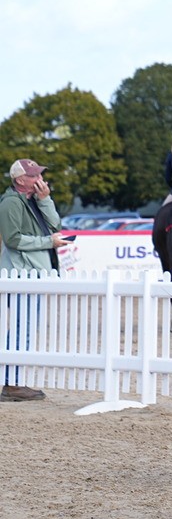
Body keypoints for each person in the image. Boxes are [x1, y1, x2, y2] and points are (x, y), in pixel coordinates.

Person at [0, 159, 68, 401]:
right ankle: (10, 383)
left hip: (32, 273)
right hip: (21, 273)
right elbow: (13, 240)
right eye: (34, 175)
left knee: (25, 327)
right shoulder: (10, 202)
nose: (40, 179)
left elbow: (55, 225)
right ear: (20, 181)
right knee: (22, 328)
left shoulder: (31, 200)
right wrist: (48, 242)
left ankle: (13, 382)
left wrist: (45, 199)